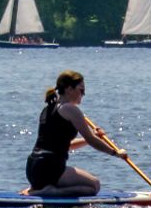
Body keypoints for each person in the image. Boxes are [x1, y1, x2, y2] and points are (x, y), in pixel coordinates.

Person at [22, 70, 128, 198]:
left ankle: (40, 188)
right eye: (81, 90)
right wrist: (116, 153)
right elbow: (91, 139)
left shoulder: (48, 109)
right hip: (50, 168)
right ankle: (50, 191)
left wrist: (91, 138)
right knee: (94, 186)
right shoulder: (71, 109)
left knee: (90, 184)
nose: (83, 94)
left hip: (33, 168)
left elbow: (64, 145)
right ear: (69, 89)